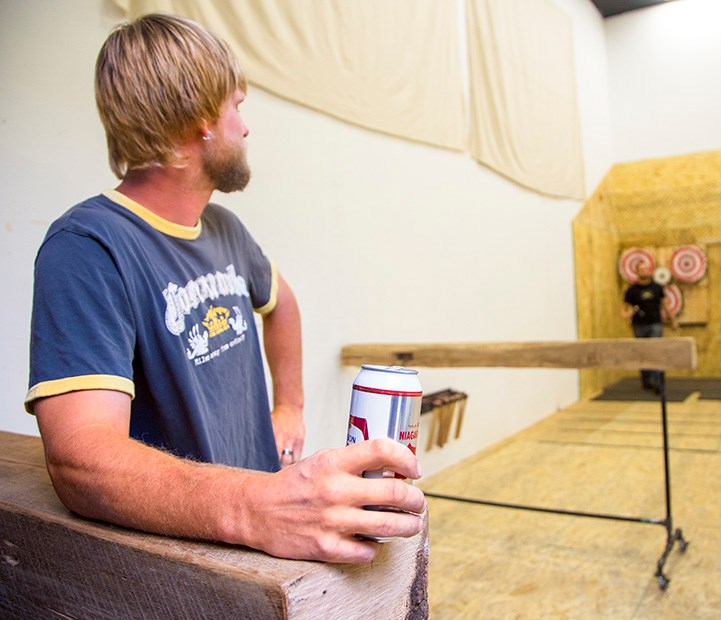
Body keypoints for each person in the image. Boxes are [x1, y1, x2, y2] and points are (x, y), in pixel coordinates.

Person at [25, 13, 425, 563]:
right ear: (199, 120)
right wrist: (259, 506)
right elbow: (82, 461)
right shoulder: (88, 245)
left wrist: (290, 406)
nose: (246, 127)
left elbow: (281, 303)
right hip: (176, 558)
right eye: (237, 105)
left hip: (257, 532)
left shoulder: (226, 231)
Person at [621, 260, 678, 393]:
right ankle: (646, 381)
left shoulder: (657, 287)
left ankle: (657, 380)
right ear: (637, 272)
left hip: (655, 324)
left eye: (646, 269)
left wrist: (673, 321)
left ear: (649, 271)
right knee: (642, 352)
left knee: (655, 351)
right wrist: (627, 314)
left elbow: (666, 305)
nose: (644, 271)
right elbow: (624, 309)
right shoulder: (632, 290)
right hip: (639, 326)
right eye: (641, 269)